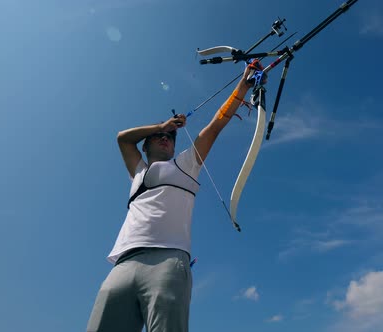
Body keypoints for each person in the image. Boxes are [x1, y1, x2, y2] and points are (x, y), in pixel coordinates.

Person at [87, 64, 259, 332]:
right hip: (124, 263)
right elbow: (122, 139)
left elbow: (215, 127)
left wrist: (243, 87)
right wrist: (162, 124)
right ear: (147, 144)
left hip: (168, 261)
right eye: (160, 136)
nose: (166, 138)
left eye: (170, 137)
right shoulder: (139, 171)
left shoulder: (186, 164)